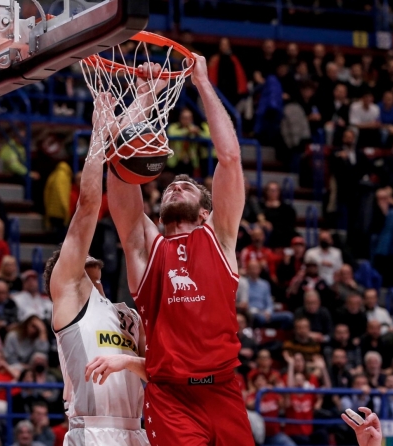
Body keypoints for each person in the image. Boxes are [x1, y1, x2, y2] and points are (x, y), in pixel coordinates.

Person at [107, 57, 253, 444]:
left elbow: (230, 158)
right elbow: (119, 165)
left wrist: (203, 82)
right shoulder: (145, 246)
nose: (176, 185)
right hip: (170, 396)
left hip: (223, 389)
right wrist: (146, 97)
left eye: (187, 186)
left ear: (205, 212)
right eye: (172, 186)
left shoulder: (220, 236)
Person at [43, 103, 149, 445]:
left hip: (137, 431)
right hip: (91, 430)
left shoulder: (130, 316)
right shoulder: (69, 296)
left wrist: (143, 102)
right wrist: (99, 135)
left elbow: (160, 373)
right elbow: (88, 205)